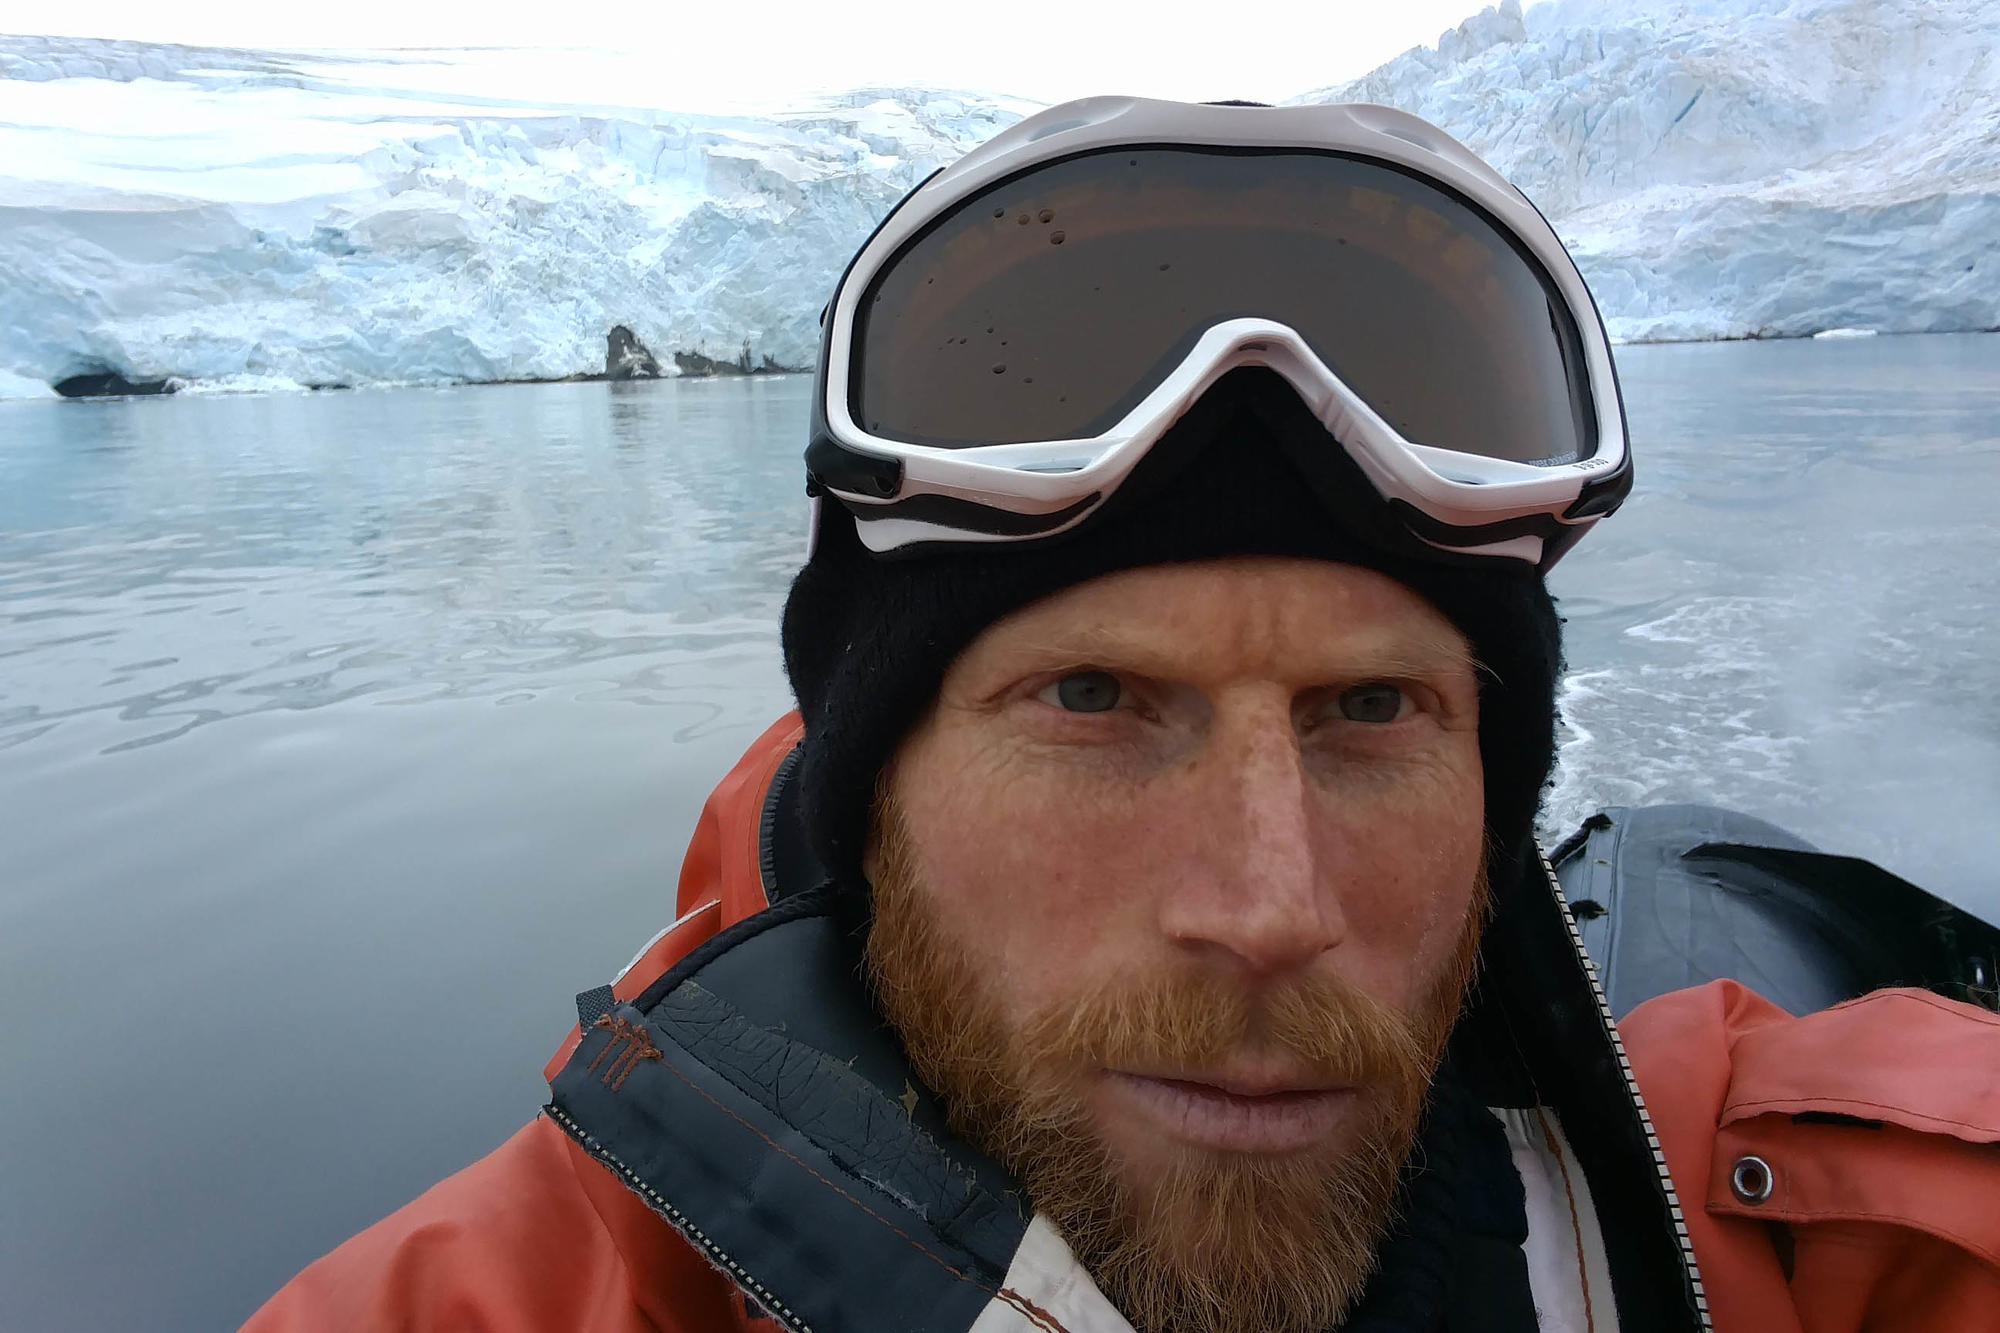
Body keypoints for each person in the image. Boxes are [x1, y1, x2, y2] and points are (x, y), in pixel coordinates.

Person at [246, 99, 2000, 1333]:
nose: (1269, 905)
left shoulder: (1833, 1217)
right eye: (1091, 697)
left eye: (1372, 706)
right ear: (874, 792)